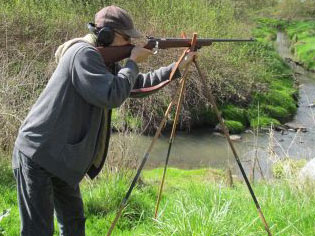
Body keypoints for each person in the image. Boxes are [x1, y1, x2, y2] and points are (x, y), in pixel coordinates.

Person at [12, 5, 196, 236]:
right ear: (106, 35)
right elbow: (112, 95)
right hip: (38, 153)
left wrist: (177, 67)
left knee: (74, 223)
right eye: (126, 37)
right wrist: (132, 63)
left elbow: (132, 85)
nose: (130, 41)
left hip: (62, 156)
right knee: (38, 230)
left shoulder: (102, 60)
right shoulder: (83, 54)